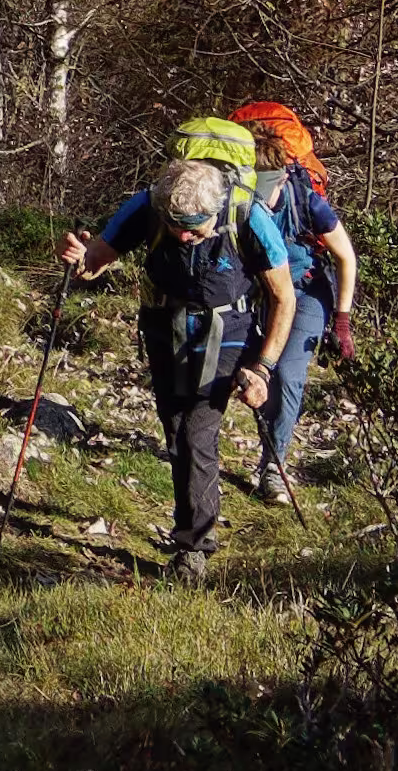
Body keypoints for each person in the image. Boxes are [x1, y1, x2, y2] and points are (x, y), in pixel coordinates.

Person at [55, 117, 300, 574]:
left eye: (195, 229)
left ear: (216, 209)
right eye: (176, 227)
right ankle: (192, 521)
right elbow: (95, 263)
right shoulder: (147, 206)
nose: (185, 236)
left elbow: (284, 297)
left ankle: (194, 548)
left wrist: (263, 367)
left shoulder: (248, 215)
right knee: (174, 429)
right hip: (163, 326)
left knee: (196, 430)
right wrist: (77, 256)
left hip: (227, 331)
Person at [226, 99, 361, 501]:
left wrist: (341, 322)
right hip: (255, 293)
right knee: (251, 371)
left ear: (285, 176)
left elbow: (345, 257)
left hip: (305, 290)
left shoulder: (307, 200)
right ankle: (257, 447)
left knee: (286, 372)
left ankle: (274, 467)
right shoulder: (236, 199)